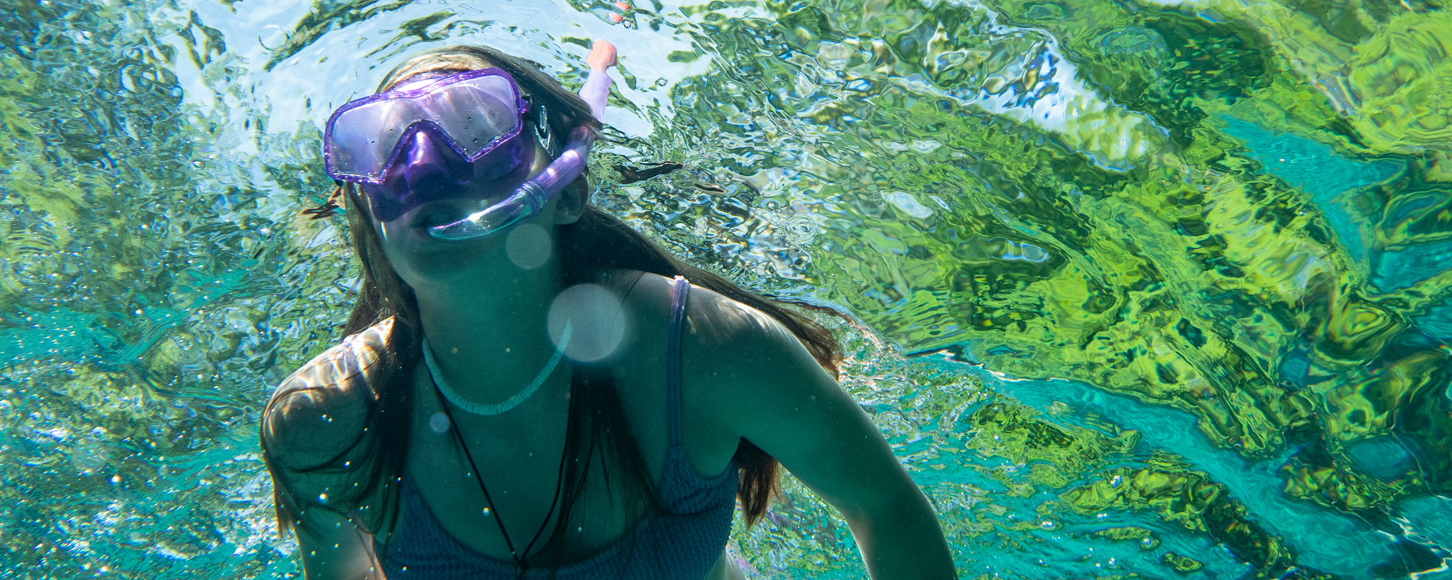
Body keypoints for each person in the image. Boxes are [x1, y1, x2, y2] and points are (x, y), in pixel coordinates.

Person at [259, 42, 956, 579]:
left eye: (475, 126)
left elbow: (888, 509)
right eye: (383, 145)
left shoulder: (709, 350)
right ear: (372, 218)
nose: (422, 166)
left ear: (564, 191)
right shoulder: (326, 421)